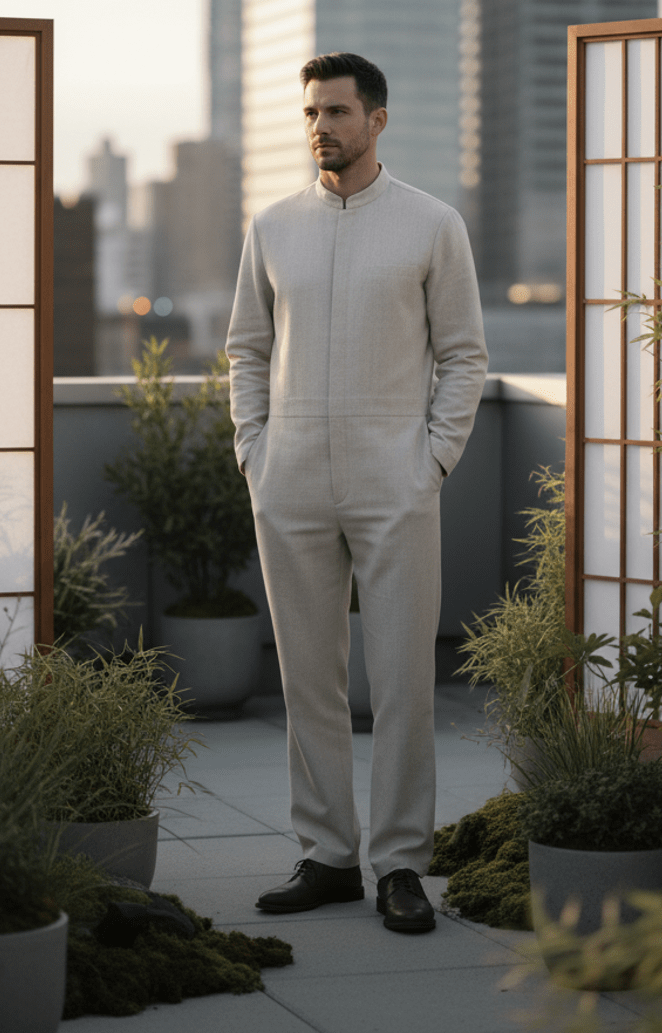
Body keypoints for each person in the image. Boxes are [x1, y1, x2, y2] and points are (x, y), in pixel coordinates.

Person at [226, 52, 488, 933]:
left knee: (406, 678)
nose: (320, 127)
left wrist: (434, 460)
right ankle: (329, 854)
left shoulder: (430, 225)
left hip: (395, 480)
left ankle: (402, 863)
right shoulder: (272, 227)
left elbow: (463, 355)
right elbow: (246, 350)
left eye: (337, 112)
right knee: (309, 679)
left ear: (376, 120)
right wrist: (255, 451)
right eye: (310, 113)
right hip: (289, 478)